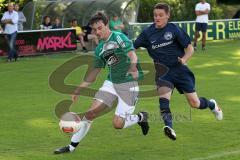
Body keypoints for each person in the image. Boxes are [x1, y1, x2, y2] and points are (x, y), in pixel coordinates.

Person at [54, 11, 149, 154]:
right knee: (90, 113)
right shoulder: (99, 49)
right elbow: (94, 73)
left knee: (117, 124)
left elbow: (132, 54)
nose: (97, 32)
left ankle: (141, 117)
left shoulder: (119, 37)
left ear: (106, 25)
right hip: (111, 83)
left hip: (128, 84)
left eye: (100, 28)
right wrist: (79, 89)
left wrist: (133, 66)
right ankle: (71, 147)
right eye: (94, 29)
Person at [133, 3, 223, 141]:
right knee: (164, 101)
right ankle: (169, 127)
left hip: (179, 70)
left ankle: (212, 105)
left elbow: (190, 48)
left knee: (195, 103)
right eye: (155, 15)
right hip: (163, 72)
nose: (157, 17)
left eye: (161, 15)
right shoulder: (147, 33)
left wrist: (184, 59)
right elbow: (131, 46)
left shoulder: (174, 29)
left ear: (167, 16)